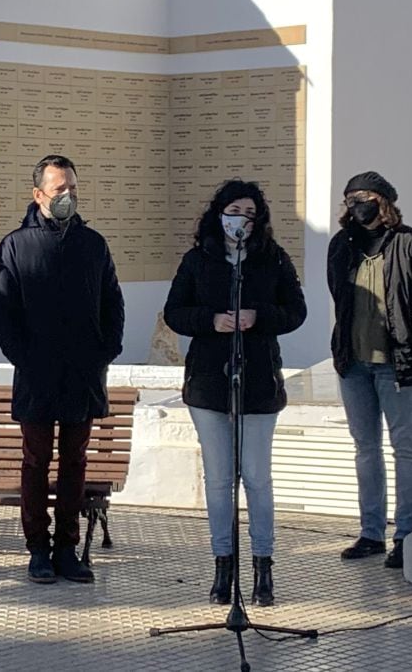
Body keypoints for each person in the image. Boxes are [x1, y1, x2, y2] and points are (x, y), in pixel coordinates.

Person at [164, 180, 306, 607]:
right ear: (218, 214)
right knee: (219, 480)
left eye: (248, 211)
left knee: (257, 477)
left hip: (259, 381)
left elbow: (296, 311)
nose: (239, 218)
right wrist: (211, 320)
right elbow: (175, 312)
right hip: (209, 381)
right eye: (233, 209)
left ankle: (263, 565)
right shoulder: (198, 259)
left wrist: (257, 317)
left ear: (257, 219)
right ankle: (222, 563)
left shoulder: (273, 259)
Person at [0, 155, 125, 584]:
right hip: (37, 372)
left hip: (83, 373)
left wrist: (105, 352)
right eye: (58, 189)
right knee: (35, 461)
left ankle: (68, 547)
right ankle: (38, 550)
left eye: (72, 189)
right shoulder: (16, 245)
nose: (67, 196)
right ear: (38, 195)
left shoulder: (92, 244)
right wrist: (23, 358)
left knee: (74, 463)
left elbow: (112, 303)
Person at [327, 171, 412, 569]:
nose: (354, 205)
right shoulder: (341, 246)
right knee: (366, 449)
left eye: (361, 197)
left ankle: (407, 535)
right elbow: (338, 297)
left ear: (383, 201)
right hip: (353, 364)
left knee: (406, 449)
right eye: (348, 199)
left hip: (397, 366)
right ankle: (370, 533)